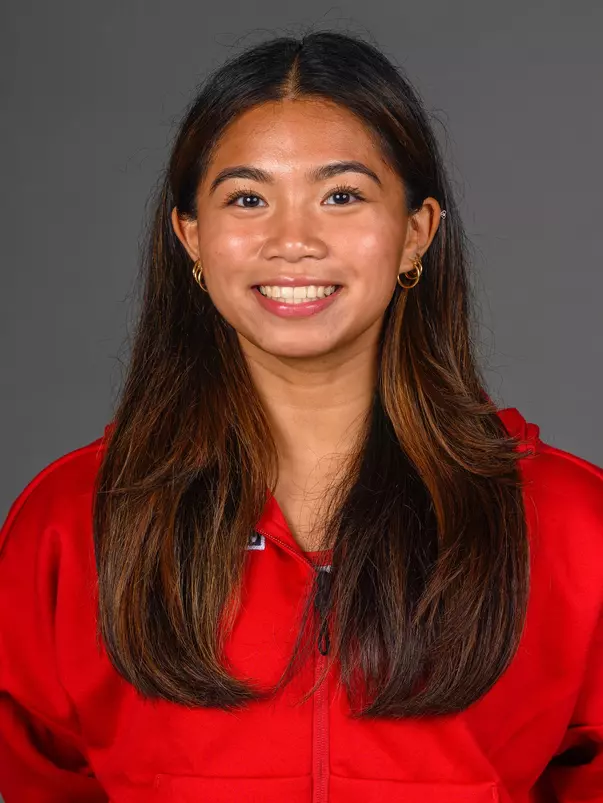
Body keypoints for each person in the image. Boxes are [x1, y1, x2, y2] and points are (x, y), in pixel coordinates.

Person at [0, 29, 601, 803]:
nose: (292, 241)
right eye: (247, 198)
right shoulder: (71, 524)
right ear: (191, 237)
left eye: (341, 195)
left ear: (415, 231)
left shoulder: (568, 524)